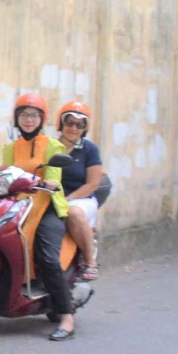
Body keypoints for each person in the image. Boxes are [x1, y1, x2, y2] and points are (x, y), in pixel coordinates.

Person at [0, 93, 76, 341]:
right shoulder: (11, 148)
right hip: (19, 206)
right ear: (17, 118)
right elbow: (6, 174)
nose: (28, 119)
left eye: (33, 115)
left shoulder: (54, 146)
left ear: (42, 119)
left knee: (48, 258)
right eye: (24, 115)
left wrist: (50, 181)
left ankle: (66, 316)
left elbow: (54, 175)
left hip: (47, 207)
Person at [56, 100, 104, 281]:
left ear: (85, 128)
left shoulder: (89, 149)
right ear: (61, 123)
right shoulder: (51, 146)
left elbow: (92, 184)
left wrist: (68, 199)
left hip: (81, 199)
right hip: (52, 197)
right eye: (69, 122)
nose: (74, 128)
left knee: (73, 213)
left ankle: (90, 260)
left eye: (80, 124)